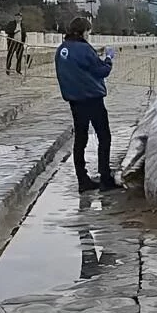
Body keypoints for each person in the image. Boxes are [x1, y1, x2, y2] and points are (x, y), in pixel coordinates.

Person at [55, 17, 119, 193]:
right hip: (92, 98)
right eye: (88, 32)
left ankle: (82, 179)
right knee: (104, 136)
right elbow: (102, 71)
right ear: (83, 31)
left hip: (74, 100)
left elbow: (78, 66)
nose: (89, 35)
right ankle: (105, 178)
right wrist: (108, 58)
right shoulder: (84, 49)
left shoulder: (62, 49)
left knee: (80, 139)